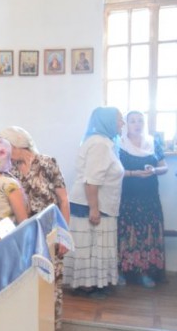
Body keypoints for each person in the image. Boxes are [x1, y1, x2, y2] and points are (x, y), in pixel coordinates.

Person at [0, 126, 70, 331]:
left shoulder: (47, 163)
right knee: (25, 286)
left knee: (50, 283)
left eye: (5, 147)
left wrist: (64, 235)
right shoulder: (8, 170)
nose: (3, 152)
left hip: (49, 234)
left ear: (17, 145)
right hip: (22, 236)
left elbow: (64, 201)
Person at [63, 107, 125, 299]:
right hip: (91, 205)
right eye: (119, 119)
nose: (122, 123)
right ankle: (86, 286)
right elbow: (92, 180)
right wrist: (94, 209)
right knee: (90, 247)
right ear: (107, 121)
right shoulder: (99, 144)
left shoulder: (105, 142)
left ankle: (94, 283)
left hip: (98, 203)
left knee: (95, 247)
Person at [117, 111, 167, 288]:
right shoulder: (120, 144)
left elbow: (164, 167)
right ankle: (122, 271)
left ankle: (145, 272)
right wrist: (134, 173)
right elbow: (115, 172)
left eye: (140, 121)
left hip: (150, 196)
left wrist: (154, 170)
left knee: (148, 233)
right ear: (126, 124)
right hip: (128, 197)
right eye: (132, 121)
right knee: (126, 233)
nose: (137, 124)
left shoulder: (153, 142)